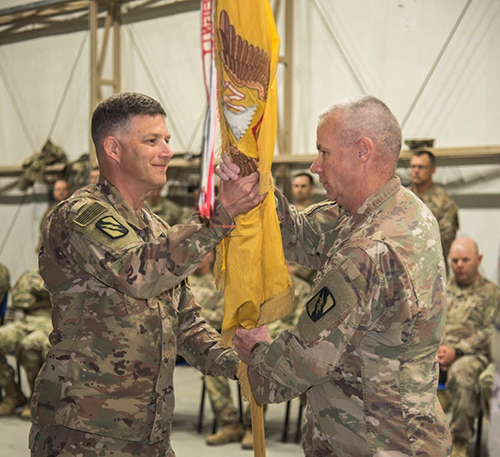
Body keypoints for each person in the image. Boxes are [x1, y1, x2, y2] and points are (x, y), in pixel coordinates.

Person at [29, 92, 264, 456]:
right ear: (113, 148)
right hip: (84, 432)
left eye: (167, 140)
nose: (167, 151)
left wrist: (247, 366)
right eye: (151, 141)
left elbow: (186, 324)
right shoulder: (81, 215)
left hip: (149, 431)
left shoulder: (156, 229)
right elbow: (138, 272)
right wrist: (219, 214)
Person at [218, 95, 451, 455]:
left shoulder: (369, 251)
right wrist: (254, 182)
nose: (314, 166)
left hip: (374, 442)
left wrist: (256, 351)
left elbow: (294, 366)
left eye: (323, 152)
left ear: (363, 151)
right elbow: (296, 234)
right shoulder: (392, 211)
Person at [203, 261, 311, 450]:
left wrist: (269, 336)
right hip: (250, 348)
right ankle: (230, 424)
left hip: (281, 351)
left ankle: (253, 427)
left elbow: (300, 329)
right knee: (213, 366)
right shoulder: (253, 291)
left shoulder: (301, 289)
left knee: (261, 368)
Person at [437, 237, 499, 457]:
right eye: (454, 260)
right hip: (437, 352)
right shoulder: (439, 288)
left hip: (473, 355)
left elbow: (490, 333)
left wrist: (458, 351)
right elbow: (427, 321)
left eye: (465, 260)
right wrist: (436, 348)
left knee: (462, 374)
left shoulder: (492, 294)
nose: (459, 265)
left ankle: (460, 443)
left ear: (479, 259)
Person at [0, 268, 51, 420]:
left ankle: (36, 400)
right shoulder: (31, 274)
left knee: (30, 345)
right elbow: (18, 299)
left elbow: (64, 299)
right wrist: (44, 295)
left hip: (51, 321)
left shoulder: (67, 271)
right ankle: (12, 394)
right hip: (26, 321)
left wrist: (40, 290)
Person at [408, 149, 459, 268]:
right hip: (404, 269)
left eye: (421, 167)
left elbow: (445, 241)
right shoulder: (400, 197)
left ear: (433, 170)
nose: (416, 171)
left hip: (433, 268)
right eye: (413, 166)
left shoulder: (444, 201)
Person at [36, 178, 70, 252]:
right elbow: (42, 230)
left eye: (63, 189)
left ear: (68, 191)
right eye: (58, 190)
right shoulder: (49, 212)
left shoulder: (72, 210)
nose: (61, 192)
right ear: (54, 192)